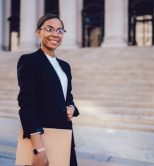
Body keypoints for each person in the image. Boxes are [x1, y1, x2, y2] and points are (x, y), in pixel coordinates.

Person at [17, 13, 79, 166]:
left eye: (60, 30)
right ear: (38, 32)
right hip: (42, 140)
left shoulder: (65, 66)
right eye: (50, 29)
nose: (55, 34)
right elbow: (27, 105)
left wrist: (72, 107)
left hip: (64, 138)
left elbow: (68, 97)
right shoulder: (29, 61)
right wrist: (39, 149)